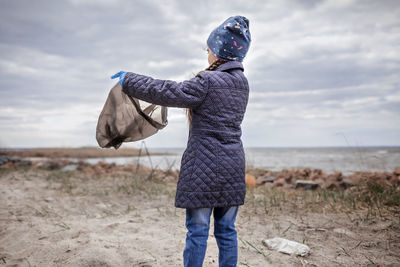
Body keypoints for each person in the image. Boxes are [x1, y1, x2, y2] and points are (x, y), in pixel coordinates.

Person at [111, 15, 251, 267]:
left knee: (197, 232)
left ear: (218, 51)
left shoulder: (207, 81)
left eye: (208, 49)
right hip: (232, 166)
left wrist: (130, 80)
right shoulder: (242, 83)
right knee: (227, 231)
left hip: (202, 168)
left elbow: (167, 91)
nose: (207, 53)